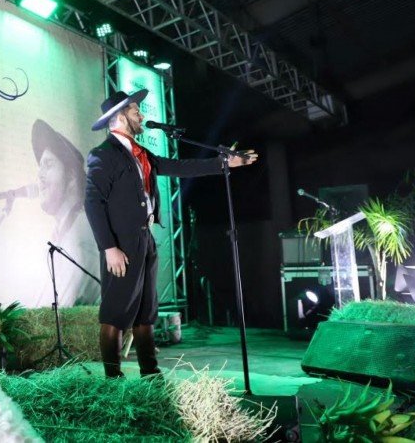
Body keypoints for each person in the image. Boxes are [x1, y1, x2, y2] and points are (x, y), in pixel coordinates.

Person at [84, 90, 257, 377]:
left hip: (144, 239)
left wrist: (224, 163)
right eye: (135, 110)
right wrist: (109, 247)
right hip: (121, 244)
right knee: (116, 313)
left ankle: (150, 374)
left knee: (146, 311)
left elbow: (178, 166)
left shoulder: (141, 153)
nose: (141, 115)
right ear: (119, 116)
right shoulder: (103, 155)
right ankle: (111, 382)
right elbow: (92, 201)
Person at [32, 119, 99, 306]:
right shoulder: (64, 231)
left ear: (71, 177)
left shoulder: (82, 233)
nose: (39, 174)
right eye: (40, 166)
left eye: (48, 164)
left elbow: (67, 305)